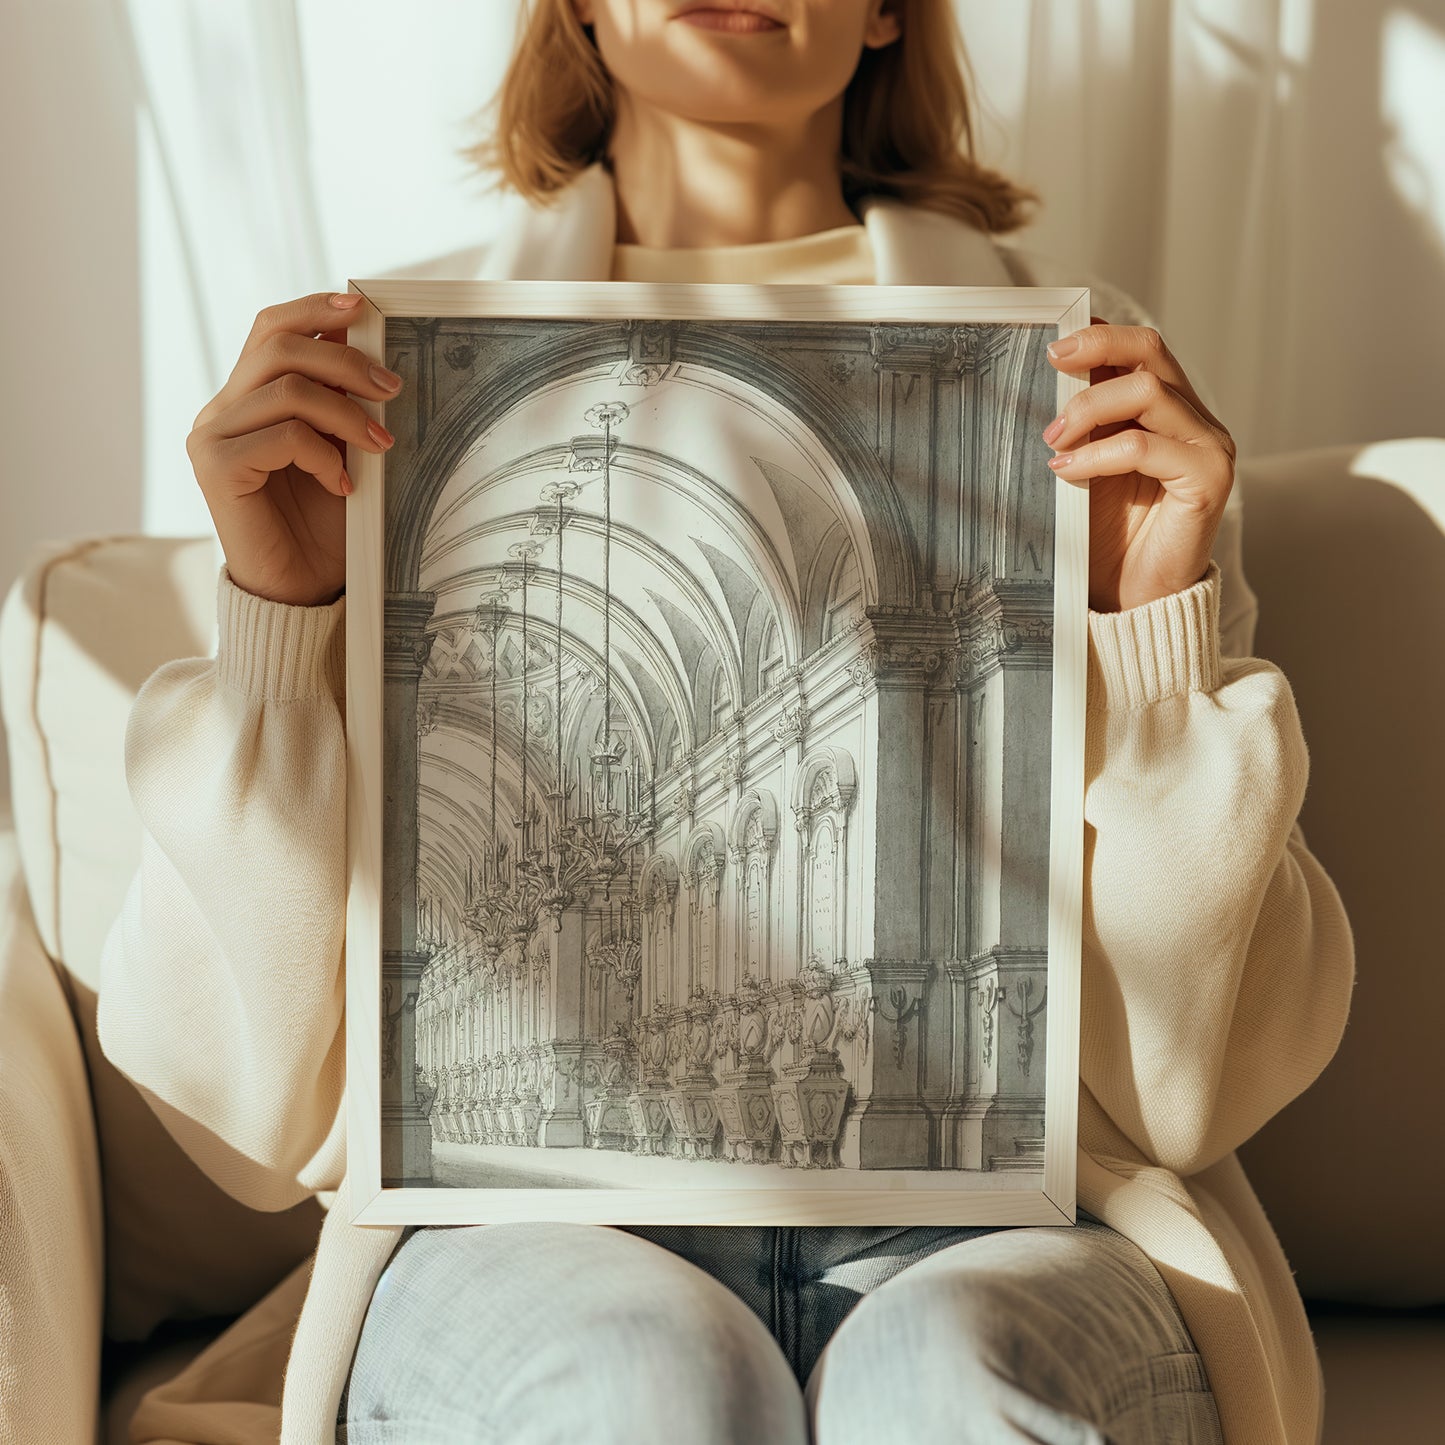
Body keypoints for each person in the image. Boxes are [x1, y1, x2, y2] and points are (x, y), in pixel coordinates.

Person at [96, 2, 1356, 1442]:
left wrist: (1154, 635)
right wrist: (281, 625)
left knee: (942, 1376)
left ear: (886, 8)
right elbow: (243, 1113)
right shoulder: (364, 371)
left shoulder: (1087, 371)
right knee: (637, 1386)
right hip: (523, 1235)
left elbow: (1202, 1090)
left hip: (1018, 1222)